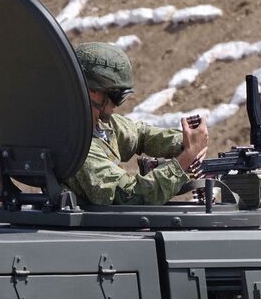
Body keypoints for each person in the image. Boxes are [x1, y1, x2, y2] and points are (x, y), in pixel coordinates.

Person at [66, 42, 209, 206]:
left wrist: (183, 142)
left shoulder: (98, 123)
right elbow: (129, 197)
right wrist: (185, 159)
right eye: (115, 95)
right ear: (92, 91)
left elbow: (140, 135)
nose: (117, 104)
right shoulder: (76, 145)